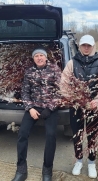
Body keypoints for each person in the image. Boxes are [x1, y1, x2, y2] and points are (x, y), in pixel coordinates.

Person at [60, 35, 98, 179]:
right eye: (83, 45)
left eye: (89, 45)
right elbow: (64, 83)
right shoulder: (71, 63)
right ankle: (79, 160)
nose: (86, 48)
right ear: (80, 47)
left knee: (92, 135)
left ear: (93, 46)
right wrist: (75, 98)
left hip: (93, 107)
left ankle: (92, 162)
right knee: (77, 134)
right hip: (77, 106)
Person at [12, 48, 61, 181]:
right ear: (33, 59)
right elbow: (25, 93)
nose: (39, 58)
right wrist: (30, 108)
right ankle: (21, 169)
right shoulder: (29, 72)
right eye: (36, 56)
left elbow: (59, 92)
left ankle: (47, 170)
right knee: (22, 134)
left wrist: (48, 110)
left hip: (50, 109)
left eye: (41, 55)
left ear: (46, 58)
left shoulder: (55, 69)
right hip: (33, 107)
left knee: (51, 136)